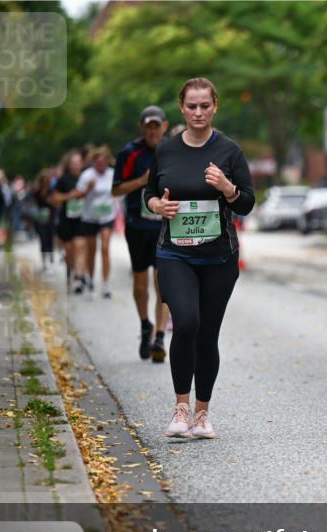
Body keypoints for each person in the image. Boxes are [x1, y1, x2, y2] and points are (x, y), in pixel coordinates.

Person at [144, 77, 255, 439]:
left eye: (204, 106)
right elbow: (149, 192)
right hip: (175, 254)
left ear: (215, 107)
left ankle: (202, 414)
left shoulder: (229, 151)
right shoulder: (166, 150)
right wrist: (157, 205)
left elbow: (247, 203)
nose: (198, 112)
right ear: (181, 108)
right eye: (191, 106)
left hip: (219, 258)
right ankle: (181, 408)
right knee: (186, 323)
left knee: (207, 334)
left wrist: (227, 188)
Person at [113, 106, 171, 362]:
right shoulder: (129, 153)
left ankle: (159, 336)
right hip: (137, 225)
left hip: (164, 226)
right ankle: (145, 323)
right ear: (142, 127)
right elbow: (116, 190)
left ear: (164, 126)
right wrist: (142, 181)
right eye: (149, 126)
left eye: (157, 126)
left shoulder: (173, 150)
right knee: (140, 283)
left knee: (163, 282)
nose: (152, 131)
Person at [73, 146, 118, 298]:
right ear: (93, 162)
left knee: (105, 248)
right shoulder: (87, 175)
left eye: (104, 162)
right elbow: (77, 195)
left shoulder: (112, 174)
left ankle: (105, 284)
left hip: (107, 216)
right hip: (90, 217)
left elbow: (119, 191)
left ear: (107, 162)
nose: (101, 165)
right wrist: (88, 189)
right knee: (91, 250)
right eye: (98, 162)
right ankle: (90, 279)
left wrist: (116, 199)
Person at [50, 151, 85, 290]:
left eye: (78, 163)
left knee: (79, 246)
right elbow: (55, 198)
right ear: (69, 165)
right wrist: (70, 196)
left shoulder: (86, 177)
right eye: (73, 163)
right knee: (69, 249)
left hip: (82, 218)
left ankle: (78, 277)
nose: (76, 166)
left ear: (82, 164)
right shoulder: (63, 180)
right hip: (67, 219)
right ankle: (69, 272)